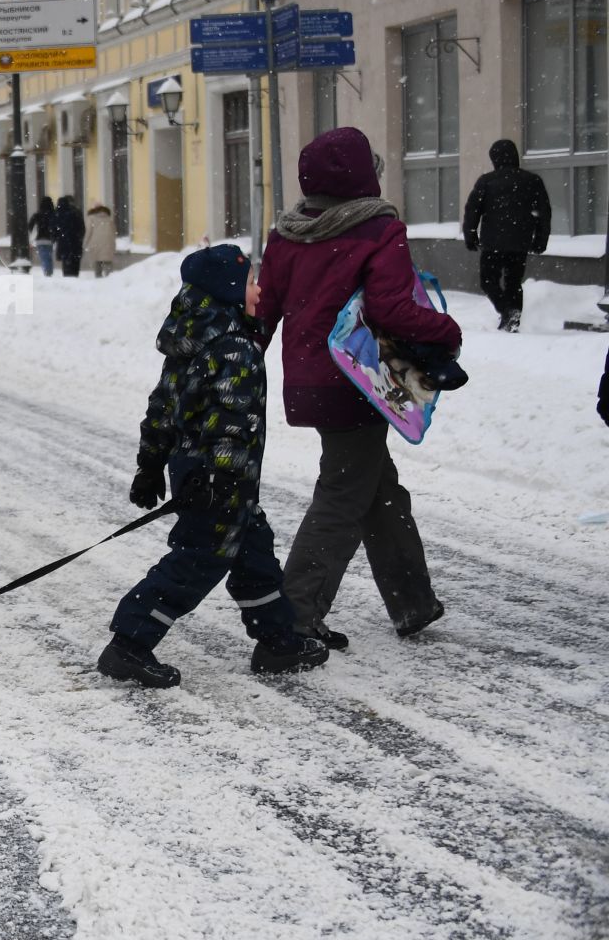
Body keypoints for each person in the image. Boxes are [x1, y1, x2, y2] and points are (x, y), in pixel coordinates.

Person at [255, 127, 462, 647]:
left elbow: (266, 308)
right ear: (362, 174)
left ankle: (412, 602)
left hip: (310, 381)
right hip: (358, 380)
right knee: (344, 494)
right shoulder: (377, 229)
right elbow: (392, 309)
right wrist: (446, 331)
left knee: (377, 487)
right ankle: (295, 617)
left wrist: (236, 360)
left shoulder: (286, 233)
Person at [99, 245, 329, 687]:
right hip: (221, 475)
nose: (258, 290)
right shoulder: (234, 347)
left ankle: (277, 640)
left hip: (200, 470)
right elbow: (232, 423)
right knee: (198, 559)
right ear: (227, 290)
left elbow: (161, 409)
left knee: (253, 550)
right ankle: (129, 642)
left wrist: (150, 465)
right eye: (250, 283)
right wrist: (222, 480)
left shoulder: (192, 337)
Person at [462, 139, 551, 332]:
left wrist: (470, 234)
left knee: (488, 281)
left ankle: (506, 312)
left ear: (494, 158)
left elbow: (472, 210)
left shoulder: (486, 181)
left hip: (493, 242)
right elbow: (544, 212)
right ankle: (513, 317)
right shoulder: (532, 180)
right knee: (513, 282)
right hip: (520, 242)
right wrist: (540, 239)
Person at [82, 203, 115, 277]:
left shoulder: (91, 219)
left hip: (95, 244)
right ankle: (110, 279)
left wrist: (84, 243)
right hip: (108, 243)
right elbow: (113, 233)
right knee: (107, 263)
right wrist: (113, 245)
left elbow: (88, 232)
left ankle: (98, 278)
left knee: (97, 263)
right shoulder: (109, 219)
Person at [54, 196, 84, 277]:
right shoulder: (76, 212)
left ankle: (68, 276)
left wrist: (56, 237)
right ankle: (74, 276)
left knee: (66, 263)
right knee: (75, 264)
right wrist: (79, 237)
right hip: (75, 243)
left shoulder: (58, 213)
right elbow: (82, 228)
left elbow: (55, 228)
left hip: (63, 243)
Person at [29, 196, 57, 275]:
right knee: (48, 256)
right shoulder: (53, 214)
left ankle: (47, 271)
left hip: (40, 239)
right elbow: (56, 226)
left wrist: (34, 231)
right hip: (49, 239)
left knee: (43, 257)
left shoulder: (38, 215)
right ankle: (49, 271)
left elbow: (30, 225)